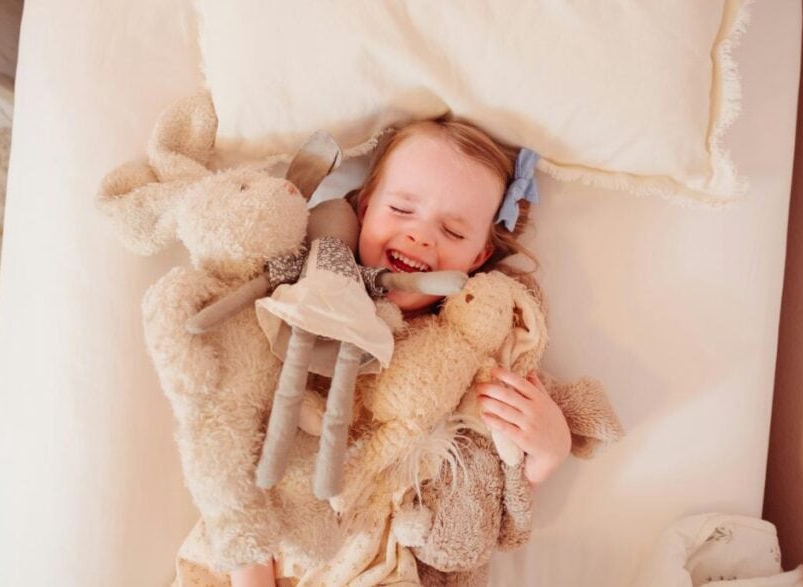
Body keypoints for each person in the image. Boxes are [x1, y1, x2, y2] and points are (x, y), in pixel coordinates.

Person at [231, 117, 571, 587]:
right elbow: (238, 455)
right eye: (402, 209)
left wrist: (550, 450)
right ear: (366, 208)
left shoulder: (471, 347)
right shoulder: (308, 302)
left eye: (453, 232)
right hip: (281, 553)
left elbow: (482, 490)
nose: (421, 237)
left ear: (477, 256)